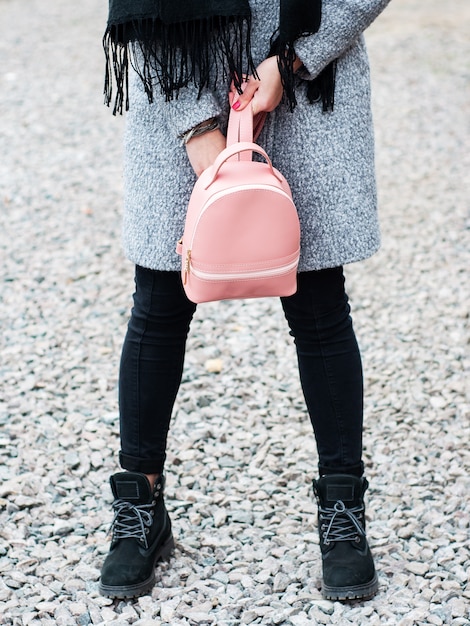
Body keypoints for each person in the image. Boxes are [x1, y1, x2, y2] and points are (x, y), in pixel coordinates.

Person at [98, 0, 391, 602]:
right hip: (181, 71)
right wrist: (198, 127)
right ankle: (140, 505)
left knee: (319, 309)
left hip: (308, 81)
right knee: (159, 303)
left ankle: (342, 511)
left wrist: (296, 58)